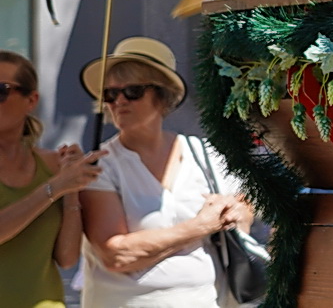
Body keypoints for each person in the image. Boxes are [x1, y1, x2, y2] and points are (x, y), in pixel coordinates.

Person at [78, 38, 253, 308]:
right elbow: (116, 254)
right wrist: (201, 226)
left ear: (162, 96)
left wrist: (239, 213)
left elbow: (246, 200)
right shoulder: (100, 164)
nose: (119, 101)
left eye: (132, 91)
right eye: (110, 94)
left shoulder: (203, 153)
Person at [0, 52, 103, 308]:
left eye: (1, 91)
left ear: (31, 99)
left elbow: (67, 258)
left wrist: (70, 188)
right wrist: (55, 187)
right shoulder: (53, 179)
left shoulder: (53, 166)